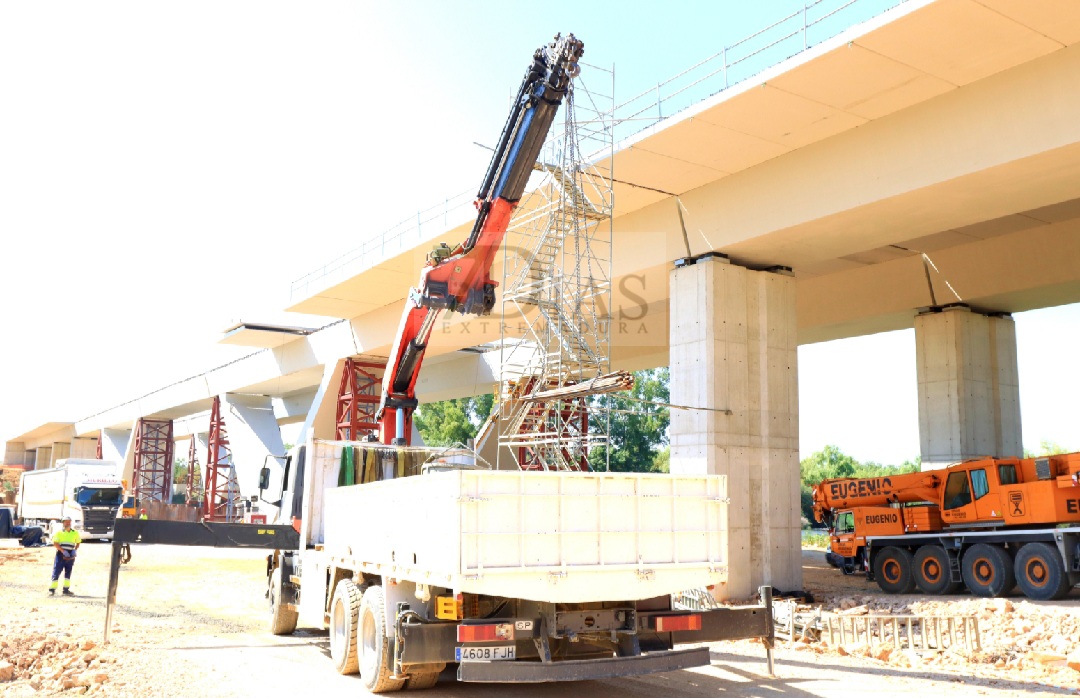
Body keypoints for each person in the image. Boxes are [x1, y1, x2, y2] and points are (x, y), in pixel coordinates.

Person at [49, 516, 81, 596]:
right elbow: (55, 543)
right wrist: (63, 551)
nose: (67, 523)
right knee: (57, 571)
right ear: (63, 523)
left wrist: (75, 550)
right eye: (66, 522)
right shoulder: (59, 533)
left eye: (69, 522)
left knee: (68, 572)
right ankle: (52, 590)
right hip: (61, 555)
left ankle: (66, 590)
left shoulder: (75, 532)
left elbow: (78, 542)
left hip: (70, 555)